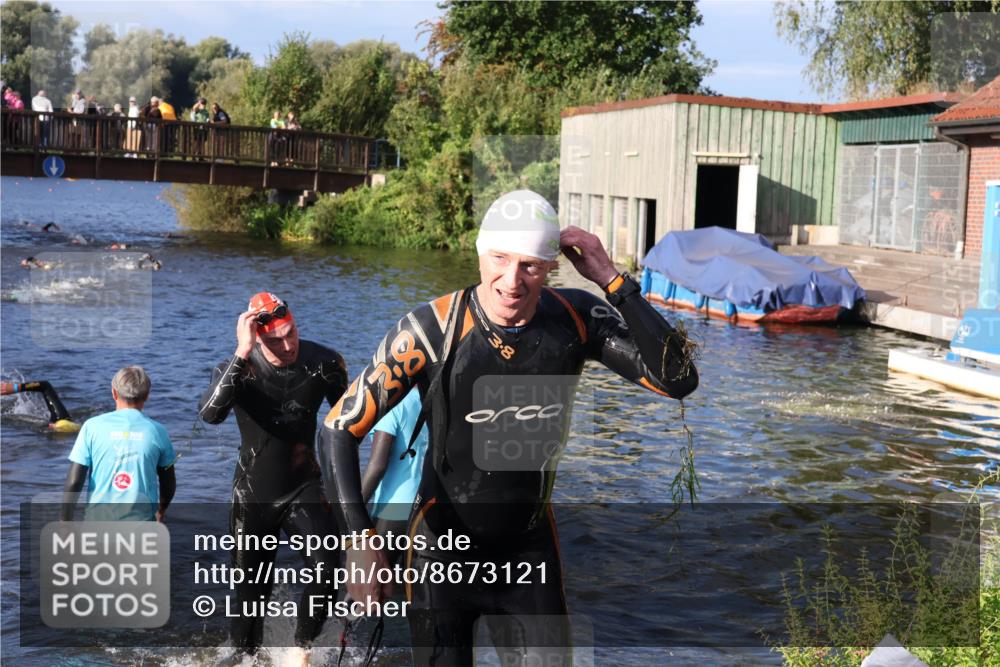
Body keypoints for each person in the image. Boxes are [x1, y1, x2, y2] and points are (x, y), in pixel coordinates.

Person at [320, 190, 699, 666]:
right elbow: (336, 429)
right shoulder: (431, 329)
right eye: (499, 259)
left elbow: (678, 378)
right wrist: (359, 539)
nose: (512, 280)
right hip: (442, 555)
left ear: (551, 266)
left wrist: (612, 280)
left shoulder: (576, 318)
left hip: (528, 555)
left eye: (530, 266)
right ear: (481, 254)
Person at [198, 292, 349, 662]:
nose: (288, 345)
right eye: (276, 340)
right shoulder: (239, 368)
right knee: (251, 593)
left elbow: (350, 421)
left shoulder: (324, 362)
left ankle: (302, 649)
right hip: (254, 493)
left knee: (329, 562)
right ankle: (244, 658)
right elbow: (209, 414)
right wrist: (242, 350)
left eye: (291, 332)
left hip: (304, 484)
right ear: (256, 337)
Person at [60, 366, 176, 522]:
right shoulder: (158, 431)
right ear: (147, 395)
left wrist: (65, 521)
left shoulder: (92, 427)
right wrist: (161, 511)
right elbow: (168, 483)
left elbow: (74, 482)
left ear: (114, 393)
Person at [360, 390, 429, 565]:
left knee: (370, 582)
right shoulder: (439, 399)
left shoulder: (392, 405)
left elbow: (378, 466)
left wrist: (349, 511)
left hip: (394, 510)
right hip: (429, 508)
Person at [1, 380, 77, 430]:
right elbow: (44, 386)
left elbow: (45, 386)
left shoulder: (61, 421)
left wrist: (16, 388)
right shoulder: (61, 419)